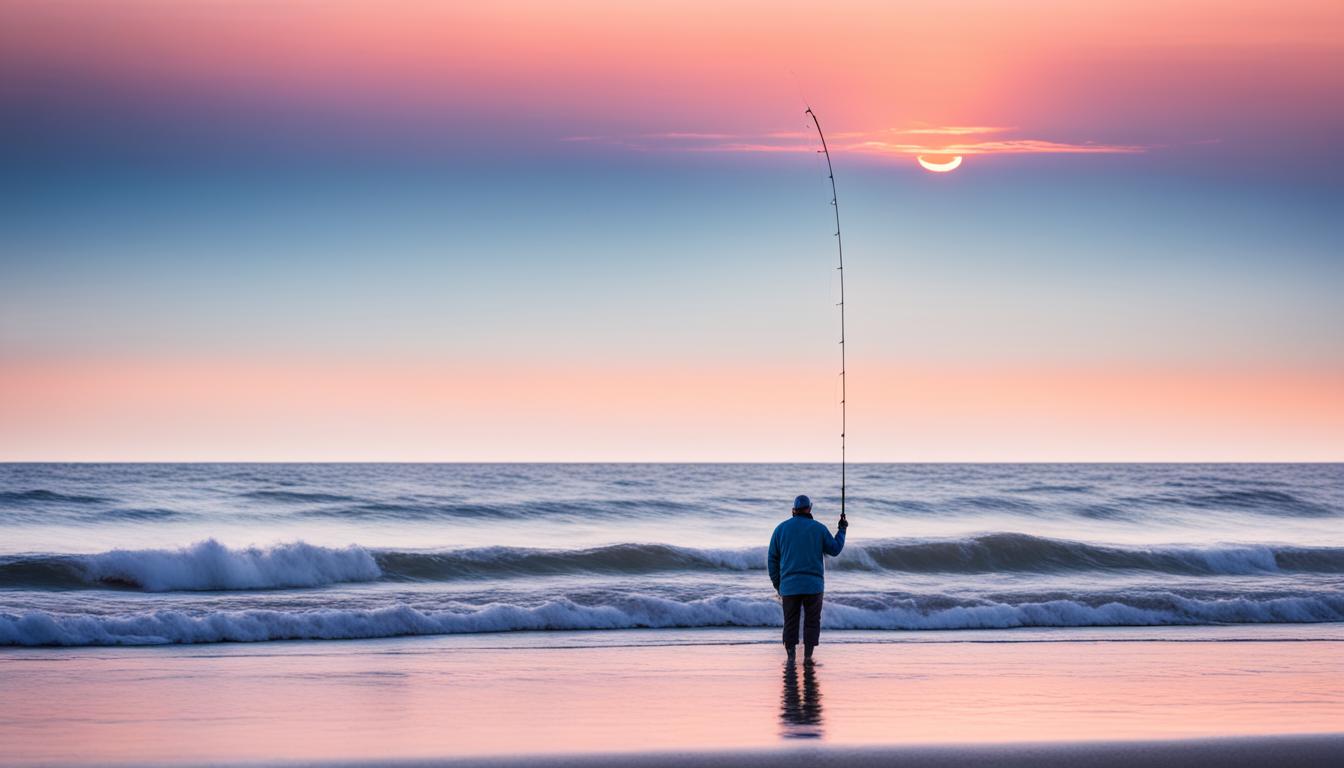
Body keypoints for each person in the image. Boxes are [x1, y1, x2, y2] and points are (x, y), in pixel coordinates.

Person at [768, 494, 847, 663]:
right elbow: (834, 549)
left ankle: (790, 658)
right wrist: (842, 530)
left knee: (790, 623)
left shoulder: (780, 529)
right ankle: (808, 657)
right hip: (814, 586)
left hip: (789, 587)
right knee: (811, 622)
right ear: (809, 509)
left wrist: (778, 584)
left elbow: (772, 559)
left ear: (793, 510)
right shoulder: (819, 528)